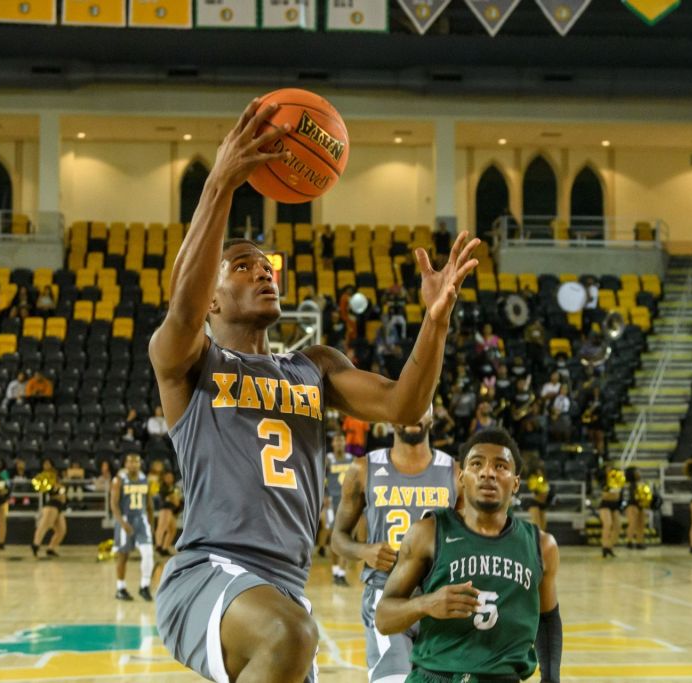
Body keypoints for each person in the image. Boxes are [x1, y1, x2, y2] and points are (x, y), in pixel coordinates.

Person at [151, 98, 480, 683]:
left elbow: (406, 405)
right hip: (208, 571)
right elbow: (181, 305)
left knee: (292, 631)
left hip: (282, 586)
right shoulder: (189, 361)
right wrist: (220, 184)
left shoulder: (315, 366)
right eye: (243, 265)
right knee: (292, 633)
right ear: (211, 299)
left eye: (268, 263)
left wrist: (435, 322)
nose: (264, 270)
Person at [374, 428, 561, 683]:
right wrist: (426, 603)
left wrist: (551, 679)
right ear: (462, 477)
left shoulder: (541, 546)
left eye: (501, 466)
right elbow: (384, 618)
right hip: (435, 676)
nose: (488, 472)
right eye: (477, 464)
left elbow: (548, 620)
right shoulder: (427, 533)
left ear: (516, 482)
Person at [332, 408, 457, 683]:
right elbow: (337, 538)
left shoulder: (455, 472)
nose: (413, 415)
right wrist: (363, 551)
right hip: (385, 594)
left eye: (421, 407)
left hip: (438, 599)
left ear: (431, 418)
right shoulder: (363, 469)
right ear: (390, 418)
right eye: (406, 407)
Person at [110, 453, 155, 601]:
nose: (133, 464)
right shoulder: (119, 480)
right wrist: (122, 524)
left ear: (140, 464)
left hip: (141, 520)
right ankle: (120, 588)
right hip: (125, 519)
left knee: (148, 554)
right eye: (130, 462)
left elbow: (149, 505)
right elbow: (114, 505)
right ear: (125, 464)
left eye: (136, 462)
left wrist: (151, 524)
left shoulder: (145, 479)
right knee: (123, 556)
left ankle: (144, 586)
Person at [320, 433, 352, 586]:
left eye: (341, 440)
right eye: (337, 441)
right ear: (332, 444)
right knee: (334, 537)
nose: (339, 443)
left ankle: (342, 573)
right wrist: (324, 495)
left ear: (345, 443)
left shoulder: (351, 459)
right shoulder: (328, 459)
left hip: (348, 503)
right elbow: (319, 479)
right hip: (332, 502)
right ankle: (334, 570)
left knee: (347, 537)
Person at [31, 458, 67, 558]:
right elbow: (41, 487)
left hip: (60, 505)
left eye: (48, 463)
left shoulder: (55, 475)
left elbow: (61, 487)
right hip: (52, 504)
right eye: (44, 464)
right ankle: (35, 544)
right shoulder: (43, 477)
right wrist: (55, 490)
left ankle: (51, 548)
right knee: (45, 525)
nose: (46, 466)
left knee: (61, 530)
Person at [598, 461, 624, 558]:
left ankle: (610, 546)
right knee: (608, 524)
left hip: (615, 505)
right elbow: (605, 495)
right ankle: (604, 546)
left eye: (611, 468)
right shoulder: (603, 481)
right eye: (607, 468)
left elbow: (619, 494)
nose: (610, 470)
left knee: (618, 526)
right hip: (605, 504)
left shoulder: (617, 480)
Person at [623, 466, 650, 550]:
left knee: (641, 524)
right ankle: (629, 541)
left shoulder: (642, 482)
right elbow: (627, 497)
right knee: (632, 524)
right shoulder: (628, 485)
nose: (639, 473)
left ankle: (640, 541)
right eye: (637, 471)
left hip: (641, 505)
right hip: (632, 505)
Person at [527, 461, 551, 532]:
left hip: (543, 503)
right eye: (538, 470)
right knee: (537, 526)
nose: (539, 472)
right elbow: (534, 490)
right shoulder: (532, 478)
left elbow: (546, 489)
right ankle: (534, 541)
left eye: (540, 470)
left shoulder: (544, 479)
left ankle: (541, 542)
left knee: (543, 528)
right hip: (535, 503)